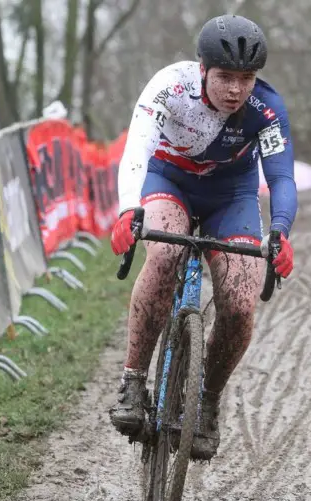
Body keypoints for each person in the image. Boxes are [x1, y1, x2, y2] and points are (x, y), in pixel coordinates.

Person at [108, 14, 297, 461]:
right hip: (167, 180)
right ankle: (134, 382)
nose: (235, 90)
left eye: (246, 79)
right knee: (165, 253)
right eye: (226, 77)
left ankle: (206, 400)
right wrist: (128, 210)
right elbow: (136, 149)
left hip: (230, 194)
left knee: (238, 299)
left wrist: (281, 231)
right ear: (202, 68)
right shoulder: (169, 88)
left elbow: (282, 177)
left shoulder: (267, 109)